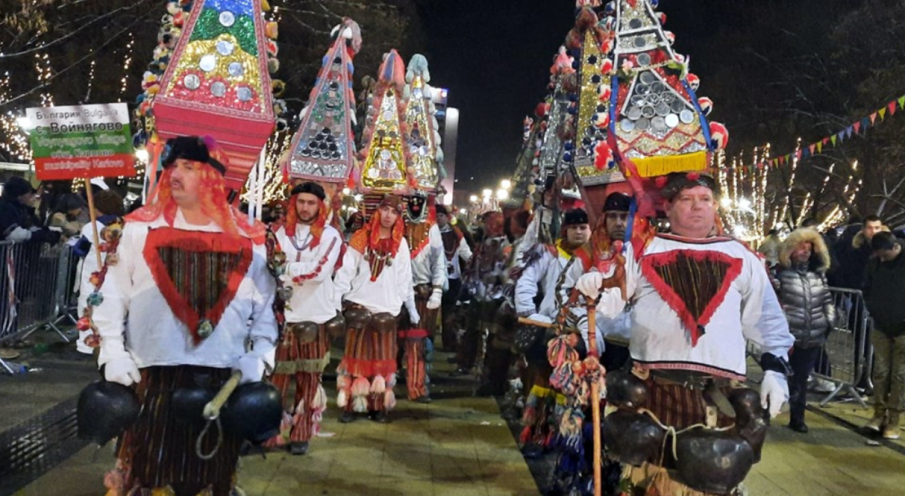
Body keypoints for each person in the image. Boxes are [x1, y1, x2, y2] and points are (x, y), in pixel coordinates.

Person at [576, 172, 793, 495]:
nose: (697, 207)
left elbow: (766, 321)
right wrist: (596, 287)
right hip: (654, 391)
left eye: (705, 200)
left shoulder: (742, 255)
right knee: (650, 480)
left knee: (712, 477)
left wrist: (776, 370)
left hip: (716, 396)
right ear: (668, 206)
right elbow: (610, 301)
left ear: (716, 206)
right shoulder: (643, 250)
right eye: (687, 199)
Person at [91, 136, 278, 495]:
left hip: (222, 377)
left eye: (188, 167)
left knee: (211, 473)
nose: (175, 174)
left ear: (212, 178)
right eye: (173, 166)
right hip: (153, 373)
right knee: (151, 469)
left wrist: (260, 355)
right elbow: (110, 295)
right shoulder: (136, 228)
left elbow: (267, 306)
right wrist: (112, 351)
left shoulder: (250, 237)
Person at [265, 181, 343, 455]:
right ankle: (270, 432)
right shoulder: (278, 233)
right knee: (277, 379)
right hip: (284, 317)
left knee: (309, 378)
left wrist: (284, 270)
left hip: (316, 317)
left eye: (311, 203)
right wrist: (292, 270)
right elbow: (267, 265)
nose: (306, 207)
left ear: (320, 206)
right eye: (301, 202)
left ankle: (301, 433)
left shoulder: (331, 236)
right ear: (293, 203)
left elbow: (320, 272)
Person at [515, 208, 592, 458]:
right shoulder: (547, 253)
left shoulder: (595, 257)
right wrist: (531, 313)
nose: (580, 232)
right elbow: (526, 281)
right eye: (574, 228)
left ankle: (564, 441)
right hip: (551, 331)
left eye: (584, 227)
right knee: (543, 385)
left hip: (582, 335)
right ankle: (537, 437)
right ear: (565, 230)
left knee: (571, 391)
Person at [333, 195, 416, 424]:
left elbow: (405, 280)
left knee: (382, 361)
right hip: (359, 306)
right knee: (355, 358)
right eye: (385, 210)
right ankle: (351, 405)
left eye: (394, 212)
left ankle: (378, 406)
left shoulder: (401, 244)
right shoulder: (361, 237)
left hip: (386, 311)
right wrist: (335, 300)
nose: (388, 215)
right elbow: (345, 272)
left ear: (399, 216)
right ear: (378, 211)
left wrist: (405, 305)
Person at [774, 228, 835, 434]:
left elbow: (826, 299)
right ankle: (766, 413)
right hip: (786, 337)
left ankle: (797, 417)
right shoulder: (779, 274)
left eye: (809, 248)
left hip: (812, 335)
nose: (805, 251)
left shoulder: (817, 276)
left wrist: (829, 322)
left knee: (800, 379)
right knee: (777, 376)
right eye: (801, 247)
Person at [397, 194, 446, 403]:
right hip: (396, 294)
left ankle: (417, 387)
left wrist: (437, 291)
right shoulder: (397, 225)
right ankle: (387, 386)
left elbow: (439, 263)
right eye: (411, 203)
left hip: (421, 294)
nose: (415, 206)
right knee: (393, 341)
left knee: (417, 342)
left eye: (419, 203)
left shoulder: (431, 228)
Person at [863, 231, 905, 440]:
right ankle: (878, 414)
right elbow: (867, 288)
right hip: (881, 325)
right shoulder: (875, 263)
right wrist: (874, 309)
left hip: (903, 329)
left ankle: (894, 419)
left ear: (894, 247)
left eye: (884, 255)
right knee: (880, 372)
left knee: (900, 376)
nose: (881, 258)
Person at [73, 189, 125, 356]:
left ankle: (87, 346)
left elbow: (80, 249)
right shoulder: (125, 225)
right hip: (117, 277)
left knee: (88, 309)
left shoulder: (92, 227)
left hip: (93, 277)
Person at [436, 204, 472, 352]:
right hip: (432, 279)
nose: (438, 219)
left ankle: (449, 343)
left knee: (449, 312)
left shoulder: (456, 234)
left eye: (441, 216)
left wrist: (474, 264)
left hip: (452, 278)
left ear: (446, 217)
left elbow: (465, 252)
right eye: (435, 216)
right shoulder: (426, 233)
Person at [0, 176, 60, 244]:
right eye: (29, 193)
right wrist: (41, 235)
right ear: (19, 195)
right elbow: (15, 234)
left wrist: (43, 233)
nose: (31, 196)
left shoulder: (21, 208)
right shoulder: (5, 209)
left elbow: (29, 226)